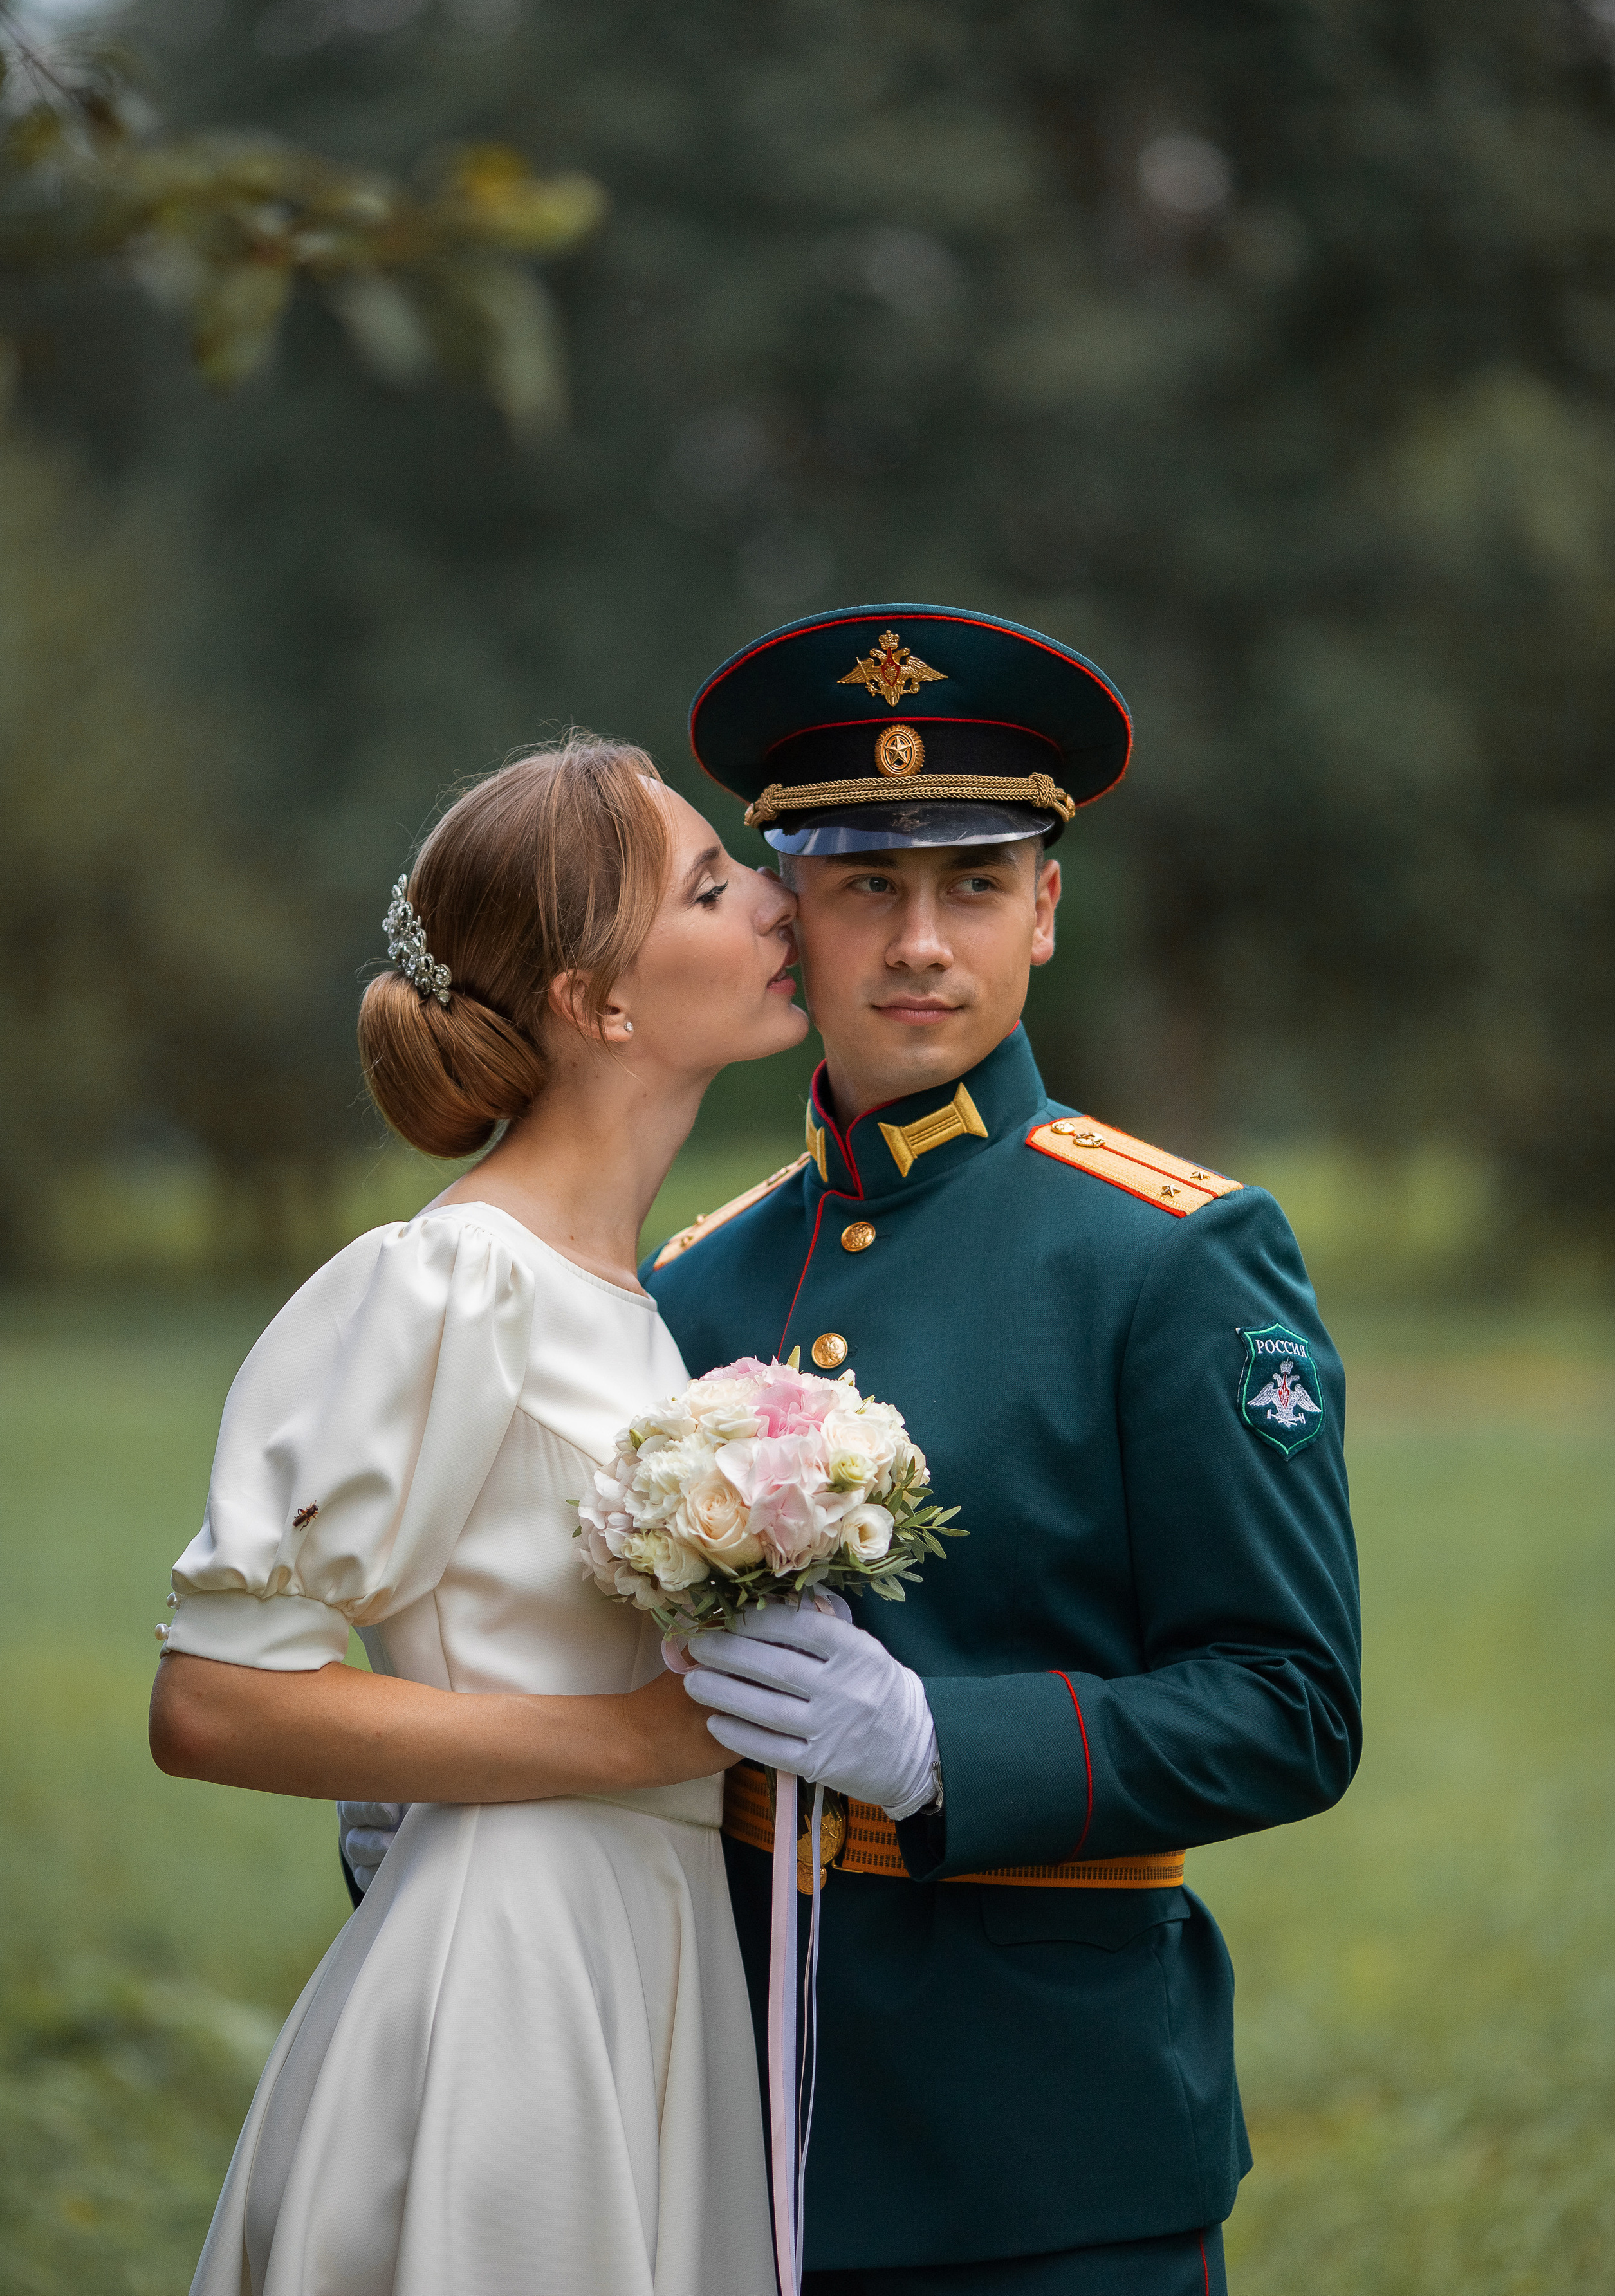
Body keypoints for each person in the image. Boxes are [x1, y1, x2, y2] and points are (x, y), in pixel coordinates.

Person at [651, 603, 1363, 2295]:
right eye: (864, 886)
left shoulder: (1172, 1255)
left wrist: (936, 1749)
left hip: (1050, 2155)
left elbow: (1291, 1704)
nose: (918, 942)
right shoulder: (694, 1279)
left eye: (973, 883)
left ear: (1046, 910)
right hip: (723, 2126)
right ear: (788, 921)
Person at [149, 737, 808, 2296]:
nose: (778, 902)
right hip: (509, 1972)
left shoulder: (638, 1309)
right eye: (713, 885)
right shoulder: (450, 1281)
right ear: (600, 1003)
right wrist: (639, 1741)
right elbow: (214, 1701)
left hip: (655, 1956)